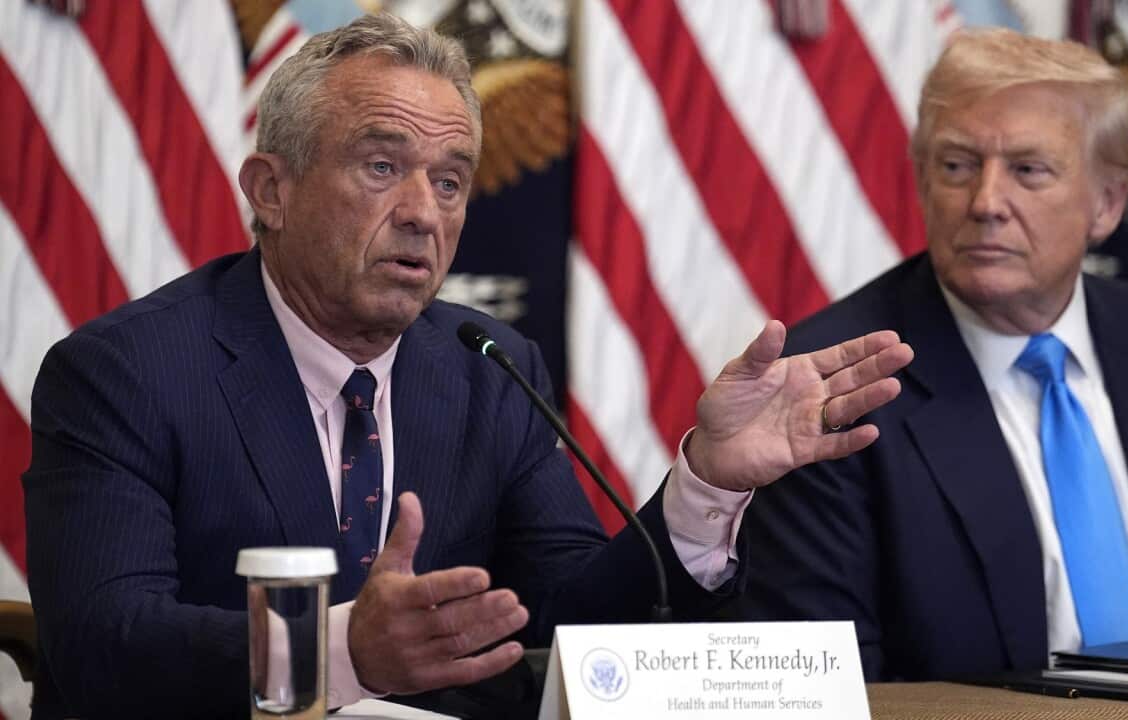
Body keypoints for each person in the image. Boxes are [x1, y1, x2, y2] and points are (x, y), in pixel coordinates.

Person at [21, 13, 913, 719]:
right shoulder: (124, 372)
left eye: (450, 181)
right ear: (270, 189)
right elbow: (105, 644)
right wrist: (342, 654)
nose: (423, 213)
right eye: (382, 166)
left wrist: (705, 485)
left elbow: (567, 619)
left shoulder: (485, 366)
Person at [735, 27, 1128, 681]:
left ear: (1108, 202)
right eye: (957, 166)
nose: (986, 203)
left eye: (1028, 170)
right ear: (924, 181)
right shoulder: (835, 384)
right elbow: (835, 689)